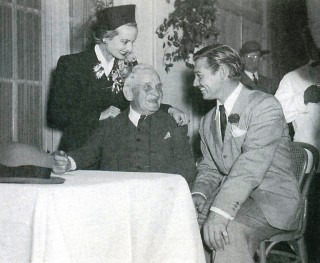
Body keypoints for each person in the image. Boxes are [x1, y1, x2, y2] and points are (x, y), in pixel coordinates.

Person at [191, 43, 301, 263]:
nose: (195, 83)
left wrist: (220, 212)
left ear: (222, 72)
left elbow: (250, 166)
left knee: (224, 234)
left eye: (199, 76)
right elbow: (209, 168)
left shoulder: (265, 106)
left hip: (271, 201)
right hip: (233, 198)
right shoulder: (206, 122)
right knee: (188, 232)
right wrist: (199, 195)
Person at [47, 4, 188, 152]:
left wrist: (170, 110)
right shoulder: (72, 64)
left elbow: (141, 100)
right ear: (106, 37)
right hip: (79, 153)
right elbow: (56, 115)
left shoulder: (129, 66)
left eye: (132, 42)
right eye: (124, 41)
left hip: (114, 154)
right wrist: (99, 115)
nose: (129, 49)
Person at [52, 64, 197, 187]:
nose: (156, 93)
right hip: (118, 203)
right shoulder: (110, 126)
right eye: (147, 87)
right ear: (129, 93)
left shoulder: (172, 124)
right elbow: (86, 154)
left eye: (158, 87)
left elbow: (187, 170)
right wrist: (66, 162)